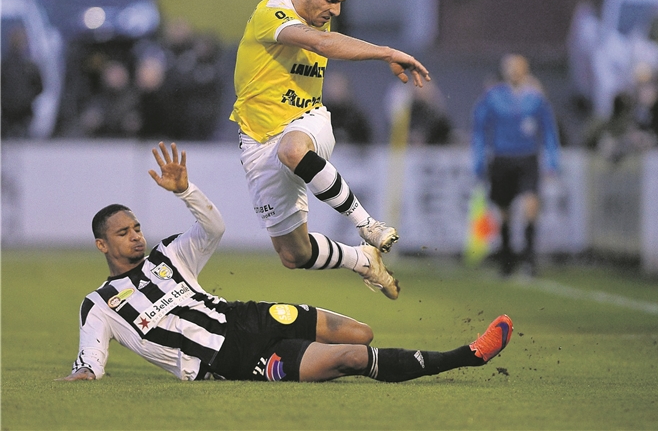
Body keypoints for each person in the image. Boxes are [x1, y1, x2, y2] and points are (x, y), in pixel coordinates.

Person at [58, 142, 513, 383]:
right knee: (354, 356)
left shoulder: (168, 254)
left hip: (247, 315)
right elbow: (90, 362)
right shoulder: (100, 304)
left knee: (361, 332)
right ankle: (467, 356)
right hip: (232, 356)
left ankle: (324, 359)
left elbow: (213, 228)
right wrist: (79, 376)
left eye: (136, 227)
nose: (136, 236)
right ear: (102, 245)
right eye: (124, 232)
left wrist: (185, 191)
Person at [230, 0, 430, 299]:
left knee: (291, 149)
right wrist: (387, 51)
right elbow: (321, 42)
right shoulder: (271, 13)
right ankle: (361, 260)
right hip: (257, 140)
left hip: (307, 120)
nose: (335, 10)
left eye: (340, 3)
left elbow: (320, 38)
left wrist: (384, 52)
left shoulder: (311, 11)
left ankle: (367, 225)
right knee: (294, 254)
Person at [471, 54, 561, 277]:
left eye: (518, 68)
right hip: (502, 158)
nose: (514, 72)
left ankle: (530, 260)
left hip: (527, 157)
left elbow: (549, 130)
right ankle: (507, 260)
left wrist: (552, 160)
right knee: (504, 211)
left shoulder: (536, 98)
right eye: (510, 68)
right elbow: (480, 128)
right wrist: (479, 159)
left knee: (531, 205)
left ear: (526, 70)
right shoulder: (493, 97)